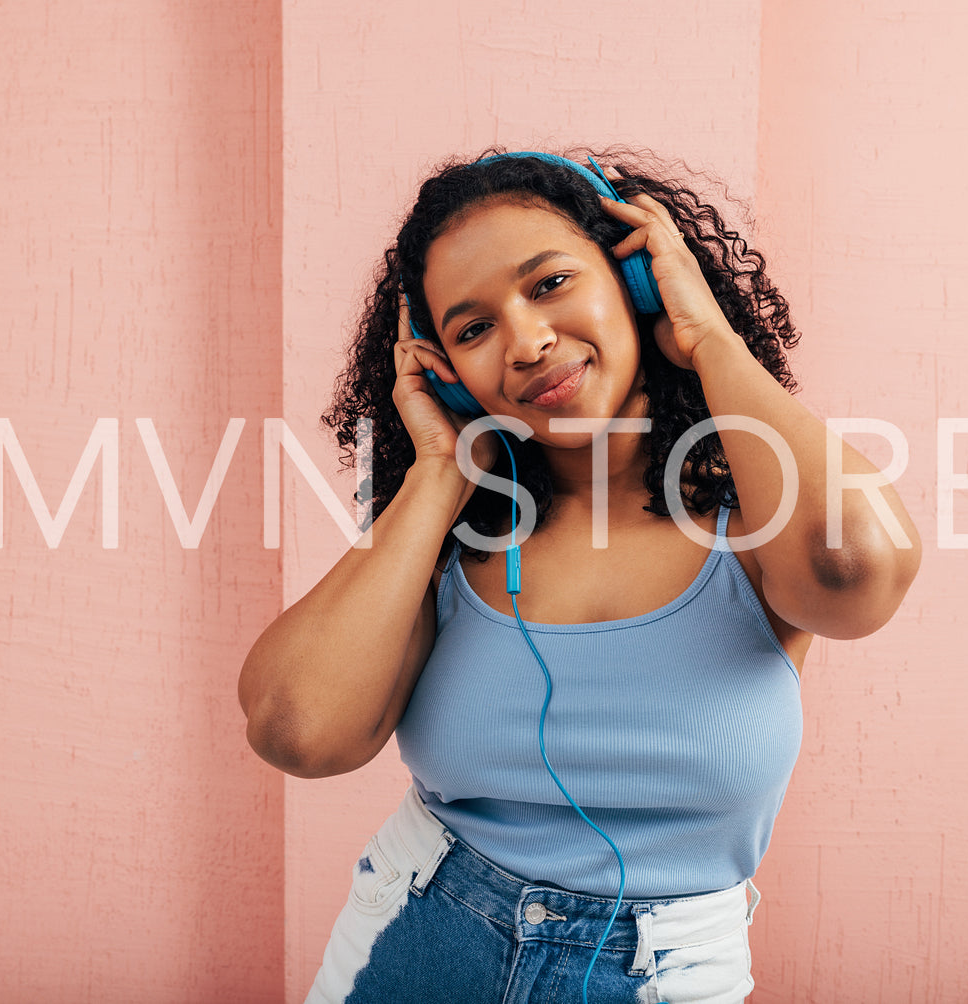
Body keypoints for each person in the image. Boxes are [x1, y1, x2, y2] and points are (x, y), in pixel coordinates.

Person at [238, 147, 921, 1003]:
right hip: (416, 938)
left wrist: (705, 336)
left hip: (664, 973)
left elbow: (853, 570)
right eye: (473, 328)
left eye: (550, 283)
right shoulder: (457, 542)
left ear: (637, 283)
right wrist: (440, 470)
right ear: (447, 374)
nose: (525, 342)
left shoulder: (751, 520)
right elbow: (294, 731)